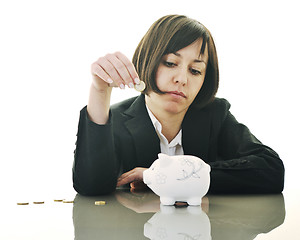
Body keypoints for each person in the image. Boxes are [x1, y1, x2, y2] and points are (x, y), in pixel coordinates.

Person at [72, 14, 285, 196]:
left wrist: (166, 177)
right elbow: (92, 187)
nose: (182, 79)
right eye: (170, 63)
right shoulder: (116, 120)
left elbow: (271, 170)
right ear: (149, 60)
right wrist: (99, 91)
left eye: (195, 71)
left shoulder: (215, 115)